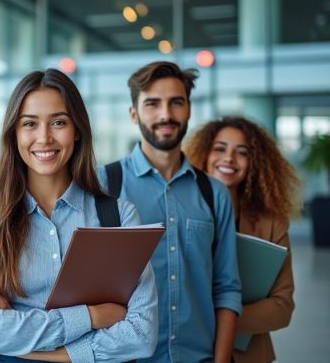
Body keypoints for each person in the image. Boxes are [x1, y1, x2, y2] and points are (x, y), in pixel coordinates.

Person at [0, 69, 158, 362]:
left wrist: (24, 333)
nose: (44, 137)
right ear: (14, 134)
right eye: (30, 124)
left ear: (77, 130)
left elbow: (142, 335)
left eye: (59, 122)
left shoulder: (119, 216)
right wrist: (92, 316)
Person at [100, 61, 241, 362]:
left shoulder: (215, 194)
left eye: (176, 102)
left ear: (189, 108)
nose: (166, 114)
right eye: (152, 103)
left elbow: (226, 287)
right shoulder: (103, 187)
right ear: (134, 113)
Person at [185, 116, 298, 363]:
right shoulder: (179, 215)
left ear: (255, 163)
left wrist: (221, 320)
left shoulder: (272, 224)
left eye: (242, 152)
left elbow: (282, 308)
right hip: (187, 352)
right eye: (220, 148)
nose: (229, 159)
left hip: (250, 355)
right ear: (203, 154)